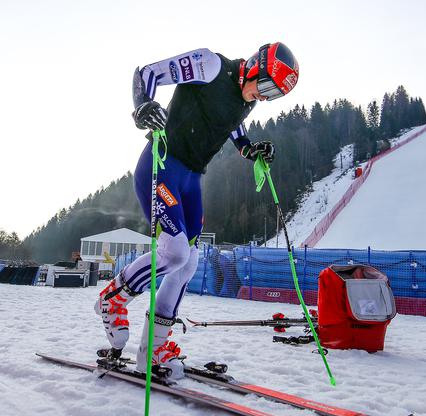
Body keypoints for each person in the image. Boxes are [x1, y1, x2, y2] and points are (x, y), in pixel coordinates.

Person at [94, 43, 299, 378]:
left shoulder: (245, 100)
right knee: (173, 253)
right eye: (265, 87)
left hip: (191, 179)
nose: (264, 97)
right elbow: (147, 74)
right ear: (253, 67)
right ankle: (111, 299)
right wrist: (143, 105)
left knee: (188, 263)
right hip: (162, 166)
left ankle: (154, 348)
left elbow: (231, 123)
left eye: (273, 95)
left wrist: (250, 149)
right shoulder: (209, 65)